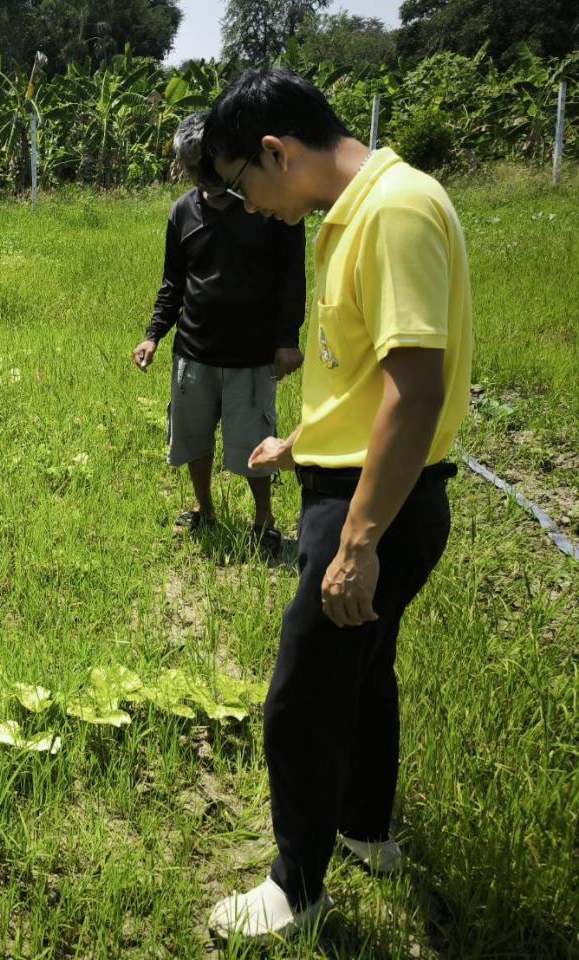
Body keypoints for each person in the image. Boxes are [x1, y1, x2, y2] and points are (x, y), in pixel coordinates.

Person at [201, 70, 473, 944]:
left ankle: (295, 887)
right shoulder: (362, 211)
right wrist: (304, 441)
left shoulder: (392, 212)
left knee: (301, 699)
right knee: (362, 672)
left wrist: (357, 541)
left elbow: (416, 391)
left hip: (372, 504)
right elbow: (366, 376)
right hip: (367, 484)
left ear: (276, 152)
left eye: (244, 182)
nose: (250, 205)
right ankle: (365, 829)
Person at [133, 112, 305, 558]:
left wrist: (287, 339)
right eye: (192, 169)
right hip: (194, 350)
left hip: (253, 354)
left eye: (206, 166)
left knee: (255, 442)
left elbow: (291, 276)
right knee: (193, 436)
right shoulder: (182, 211)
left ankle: (264, 521)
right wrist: (153, 335)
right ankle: (203, 508)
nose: (201, 177)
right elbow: (174, 282)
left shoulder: (265, 205)